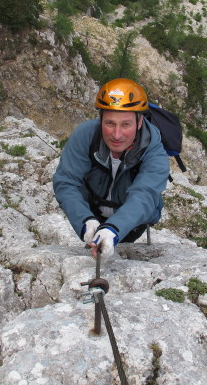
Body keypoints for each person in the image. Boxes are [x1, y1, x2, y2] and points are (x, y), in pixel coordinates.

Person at [53, 78, 170, 260]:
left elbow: (146, 194)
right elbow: (67, 182)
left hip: (133, 223)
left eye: (125, 124)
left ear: (139, 123)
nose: (117, 135)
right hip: (93, 215)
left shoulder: (152, 148)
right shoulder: (85, 136)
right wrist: (84, 220)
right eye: (109, 123)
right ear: (100, 120)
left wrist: (114, 228)